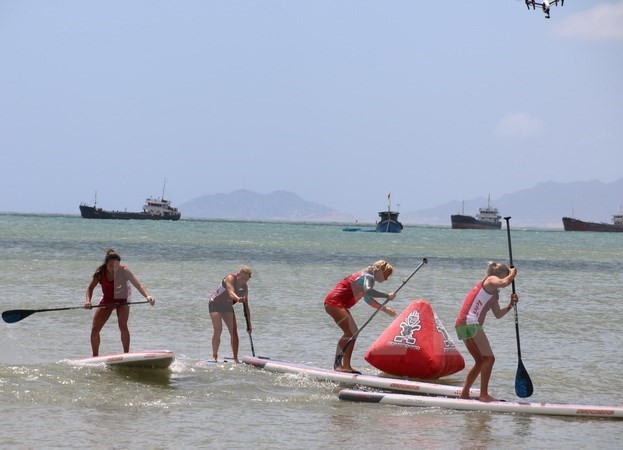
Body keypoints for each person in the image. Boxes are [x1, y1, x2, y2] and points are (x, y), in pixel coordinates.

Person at [455, 262, 518, 402]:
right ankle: (483, 395)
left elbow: (498, 314)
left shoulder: (492, 294)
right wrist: (513, 273)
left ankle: (464, 394)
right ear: (499, 274)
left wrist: (510, 306)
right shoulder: (490, 280)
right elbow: (505, 282)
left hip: (462, 324)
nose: (506, 277)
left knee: (480, 361)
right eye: (505, 275)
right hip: (470, 323)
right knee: (489, 359)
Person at [324, 260, 397, 374]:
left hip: (335, 303)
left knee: (352, 332)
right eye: (386, 276)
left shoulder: (367, 276)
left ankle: (346, 365)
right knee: (351, 332)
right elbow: (368, 291)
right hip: (334, 302)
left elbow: (367, 298)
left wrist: (384, 309)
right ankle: (339, 365)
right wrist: (386, 295)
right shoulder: (369, 276)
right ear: (380, 271)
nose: (386, 279)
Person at [84, 249, 155, 357]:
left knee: (122, 325)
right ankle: (95, 357)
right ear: (106, 263)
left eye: (116, 266)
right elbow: (90, 288)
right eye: (110, 266)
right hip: (107, 299)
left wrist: (148, 296)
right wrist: (88, 301)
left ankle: (126, 354)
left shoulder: (124, 270)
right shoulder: (100, 273)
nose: (113, 269)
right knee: (95, 329)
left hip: (122, 298)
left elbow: (138, 285)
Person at [208, 265, 253, 363]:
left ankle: (235, 358)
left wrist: (249, 324)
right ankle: (214, 357)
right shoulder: (230, 278)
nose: (243, 281)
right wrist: (238, 298)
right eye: (242, 278)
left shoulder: (245, 288)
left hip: (227, 306)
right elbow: (231, 292)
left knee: (234, 332)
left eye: (246, 279)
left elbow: (246, 307)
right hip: (215, 303)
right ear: (238, 275)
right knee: (218, 329)